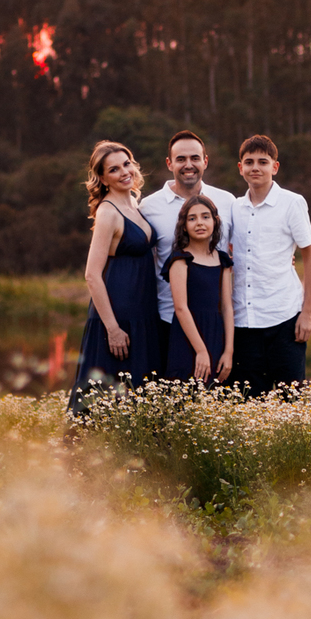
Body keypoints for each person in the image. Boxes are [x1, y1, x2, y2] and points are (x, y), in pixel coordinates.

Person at [68, 140, 160, 411]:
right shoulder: (108, 212)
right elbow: (92, 275)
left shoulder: (133, 201)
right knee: (100, 399)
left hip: (142, 313)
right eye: (114, 169)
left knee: (137, 396)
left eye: (127, 164)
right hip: (117, 318)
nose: (124, 172)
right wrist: (113, 329)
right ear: (103, 178)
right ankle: (78, 453)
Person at [229, 133, 311, 397]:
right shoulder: (234, 207)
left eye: (263, 162)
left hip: (284, 317)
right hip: (243, 321)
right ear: (240, 168)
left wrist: (307, 313)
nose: (255, 167)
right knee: (248, 401)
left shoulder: (292, 203)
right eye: (249, 162)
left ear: (274, 167)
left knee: (290, 399)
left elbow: (310, 256)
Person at [140, 130, 236, 369]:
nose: (188, 165)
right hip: (167, 319)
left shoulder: (228, 202)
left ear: (205, 160)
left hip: (216, 322)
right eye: (181, 159)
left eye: (195, 158)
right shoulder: (148, 207)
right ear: (169, 163)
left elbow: (243, 249)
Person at [162, 194, 234, 386]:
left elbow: (227, 307)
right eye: (192, 218)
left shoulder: (222, 259)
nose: (199, 223)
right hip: (188, 339)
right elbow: (181, 308)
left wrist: (228, 351)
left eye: (205, 217)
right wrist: (201, 351)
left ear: (215, 221)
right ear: (184, 225)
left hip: (216, 335)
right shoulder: (180, 260)